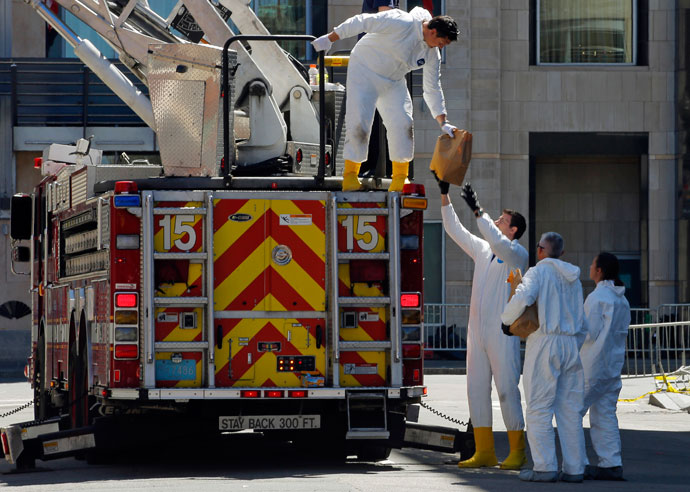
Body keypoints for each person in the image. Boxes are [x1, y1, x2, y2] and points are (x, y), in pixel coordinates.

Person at [311, 8, 458, 192]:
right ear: (433, 31)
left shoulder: (431, 54)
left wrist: (443, 122)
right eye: (441, 42)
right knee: (360, 122)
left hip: (393, 80)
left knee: (403, 123)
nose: (440, 47)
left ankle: (400, 178)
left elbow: (432, 88)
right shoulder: (401, 21)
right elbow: (363, 21)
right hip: (364, 70)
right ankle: (350, 175)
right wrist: (330, 37)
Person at [437, 180, 528, 470]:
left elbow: (497, 241)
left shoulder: (516, 254)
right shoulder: (484, 251)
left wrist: (478, 210)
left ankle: (517, 451)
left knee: (506, 390)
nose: (498, 221)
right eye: (497, 218)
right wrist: (444, 196)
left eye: (503, 220)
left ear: (513, 230)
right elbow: (456, 231)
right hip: (477, 332)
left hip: (502, 333)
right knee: (475, 390)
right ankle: (485, 451)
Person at [501, 232, 587, 483]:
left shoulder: (538, 272)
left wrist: (506, 321)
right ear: (561, 253)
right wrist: (572, 343)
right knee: (570, 410)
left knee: (538, 407)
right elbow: (582, 321)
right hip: (570, 344)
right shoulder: (574, 279)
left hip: (545, 341)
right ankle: (574, 468)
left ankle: (545, 466)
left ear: (540, 251)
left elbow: (523, 297)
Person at [580, 252, 630, 481]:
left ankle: (575, 463)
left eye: (592, 263)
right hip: (612, 366)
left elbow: (588, 333)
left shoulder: (597, 297)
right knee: (605, 414)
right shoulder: (621, 299)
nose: (590, 267)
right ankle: (611, 463)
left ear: (599, 270)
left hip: (593, 365)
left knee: (572, 411)